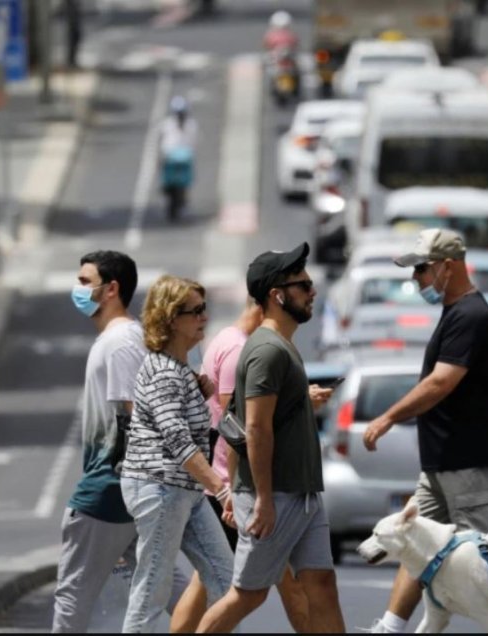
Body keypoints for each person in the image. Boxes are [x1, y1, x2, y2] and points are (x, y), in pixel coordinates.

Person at [360, 229, 488, 633]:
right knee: (415, 545)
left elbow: (441, 382)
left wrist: (387, 418)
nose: (415, 279)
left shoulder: (470, 315)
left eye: (421, 269)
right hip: (442, 465)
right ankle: (391, 628)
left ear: (447, 267)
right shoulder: (456, 313)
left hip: (467, 463)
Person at [197, 242, 345, 634]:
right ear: (277, 295)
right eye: (304, 285)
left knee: (321, 585)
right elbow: (256, 428)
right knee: (247, 594)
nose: (312, 291)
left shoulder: (283, 346)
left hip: (302, 492)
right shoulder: (266, 352)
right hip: (275, 494)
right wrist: (261, 499)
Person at [52, 251, 188, 632]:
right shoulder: (119, 340)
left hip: (110, 488)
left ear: (111, 289)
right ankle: (215, 626)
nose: (77, 289)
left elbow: (139, 413)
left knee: (72, 593)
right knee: (166, 588)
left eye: (84, 281)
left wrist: (135, 480)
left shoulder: (121, 343)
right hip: (127, 489)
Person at [170, 297, 317, 633]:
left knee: (209, 585)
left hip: (230, 483)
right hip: (239, 484)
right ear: (263, 304)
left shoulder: (226, 339)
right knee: (285, 586)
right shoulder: (241, 349)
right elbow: (242, 421)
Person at [120, 275, 234, 632]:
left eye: (205, 308)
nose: (204, 317)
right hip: (160, 489)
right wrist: (221, 487)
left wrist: (196, 393)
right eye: (195, 311)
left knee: (225, 580)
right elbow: (178, 442)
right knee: (151, 592)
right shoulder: (165, 372)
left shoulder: (180, 370)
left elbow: (170, 420)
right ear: (171, 318)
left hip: (184, 492)